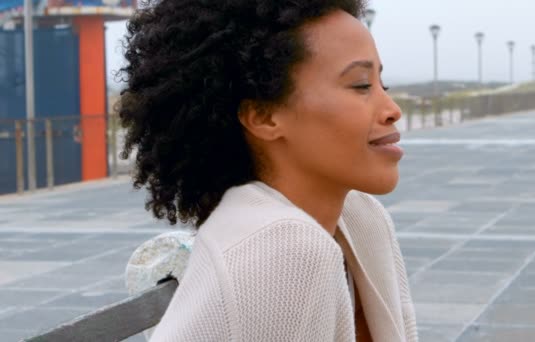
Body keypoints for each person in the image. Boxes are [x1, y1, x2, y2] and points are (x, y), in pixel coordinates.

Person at [118, 0, 418, 341]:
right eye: (361, 85)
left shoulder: (360, 219)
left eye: (382, 84)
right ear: (263, 117)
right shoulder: (284, 251)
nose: (392, 109)